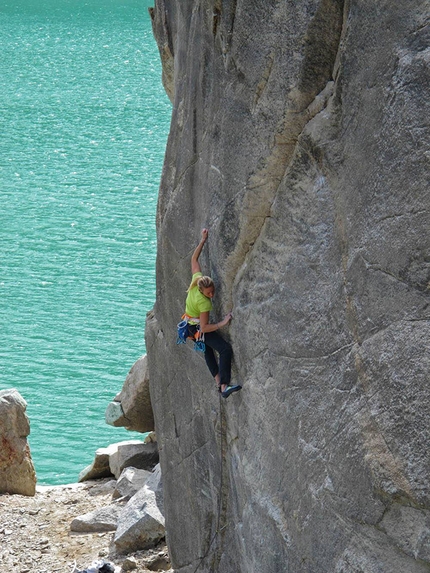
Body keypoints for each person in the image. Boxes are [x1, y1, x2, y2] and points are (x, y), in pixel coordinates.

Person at [184, 229, 242, 399]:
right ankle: (224, 386)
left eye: (213, 291)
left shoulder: (196, 281)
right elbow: (204, 327)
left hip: (187, 326)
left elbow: (194, 259)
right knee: (224, 349)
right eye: (208, 293)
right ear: (202, 291)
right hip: (196, 328)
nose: (212, 294)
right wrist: (223, 323)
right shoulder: (204, 303)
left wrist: (202, 241)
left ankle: (218, 382)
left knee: (208, 350)